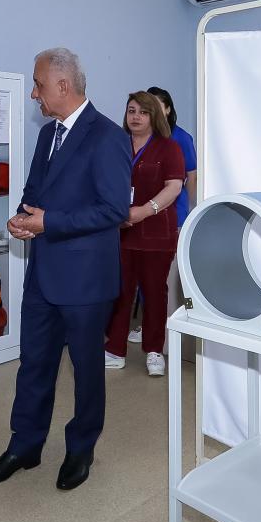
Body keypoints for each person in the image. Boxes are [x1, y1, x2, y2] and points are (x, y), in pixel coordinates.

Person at [0, 48, 130, 491]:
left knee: (85, 369)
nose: (33, 94)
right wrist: (22, 218)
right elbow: (35, 192)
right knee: (34, 363)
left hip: (86, 280)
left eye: (38, 85)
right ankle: (24, 445)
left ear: (63, 85)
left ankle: (81, 448)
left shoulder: (107, 136)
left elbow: (114, 210)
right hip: (43, 274)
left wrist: (50, 223)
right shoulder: (48, 135)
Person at [104, 93, 185, 376]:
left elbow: (174, 187)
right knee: (120, 292)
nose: (136, 117)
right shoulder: (117, 145)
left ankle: (154, 351)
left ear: (154, 116)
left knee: (154, 293)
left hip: (156, 233)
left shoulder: (169, 147)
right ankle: (115, 349)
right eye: (131, 111)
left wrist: (144, 210)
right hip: (121, 232)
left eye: (143, 112)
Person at [146, 85, 196, 336]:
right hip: (145, 216)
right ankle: (149, 325)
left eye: (158, 105)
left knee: (165, 274)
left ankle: (168, 331)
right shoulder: (142, 136)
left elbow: (192, 175)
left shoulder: (181, 138)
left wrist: (192, 209)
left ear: (167, 109)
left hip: (174, 214)